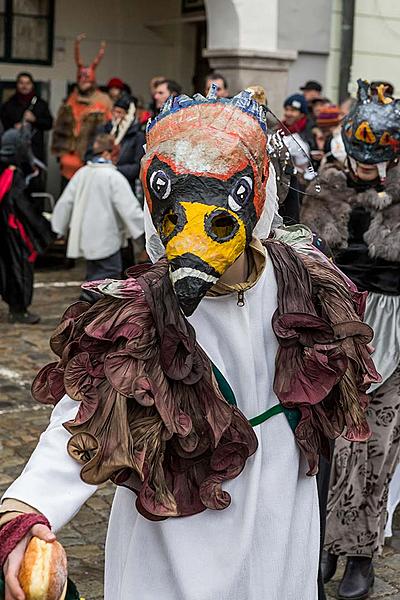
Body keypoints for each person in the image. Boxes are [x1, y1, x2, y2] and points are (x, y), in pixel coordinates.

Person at [0, 86, 378, 600]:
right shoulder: (144, 311)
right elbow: (84, 416)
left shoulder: (303, 284)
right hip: (182, 518)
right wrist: (27, 511)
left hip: (280, 509)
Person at [301, 80, 400, 600]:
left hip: (394, 335)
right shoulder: (326, 185)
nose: (366, 166)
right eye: (360, 155)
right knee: (328, 445)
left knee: (376, 448)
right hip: (336, 329)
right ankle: (319, 544)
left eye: (376, 156)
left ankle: (359, 553)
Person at [50, 133, 144, 300]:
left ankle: (88, 306)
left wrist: (58, 227)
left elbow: (66, 202)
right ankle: (92, 308)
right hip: (108, 239)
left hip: (87, 238)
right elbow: (129, 209)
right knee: (108, 278)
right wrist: (143, 232)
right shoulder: (113, 176)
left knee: (93, 274)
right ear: (107, 153)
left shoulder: (82, 173)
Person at [0, 128, 53, 324]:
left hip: (5, 229)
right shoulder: (13, 174)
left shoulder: (7, 170)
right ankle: (18, 310)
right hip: (13, 231)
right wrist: (43, 229)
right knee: (18, 269)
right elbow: (23, 206)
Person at [51, 34, 112, 187]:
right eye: (81, 79)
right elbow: (60, 126)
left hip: (90, 162)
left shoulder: (103, 100)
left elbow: (110, 131)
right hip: (67, 162)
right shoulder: (70, 99)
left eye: (87, 79)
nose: (83, 81)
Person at [86, 94, 145, 192]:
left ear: (128, 115)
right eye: (114, 111)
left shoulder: (137, 136)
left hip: (123, 186)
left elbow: (137, 167)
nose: (116, 116)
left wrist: (113, 169)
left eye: (120, 112)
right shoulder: (103, 130)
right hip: (99, 183)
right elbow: (88, 154)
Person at [0, 72, 53, 166]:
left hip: (35, 151)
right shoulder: (8, 104)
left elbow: (49, 124)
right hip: (13, 152)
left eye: (28, 83)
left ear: (32, 85)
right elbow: (2, 126)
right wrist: (13, 127)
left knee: (34, 179)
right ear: (17, 85)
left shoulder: (41, 104)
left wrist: (35, 120)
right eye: (21, 83)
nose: (24, 86)